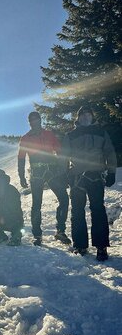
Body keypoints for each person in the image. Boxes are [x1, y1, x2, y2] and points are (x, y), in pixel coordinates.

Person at [62, 107, 117, 261]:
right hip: (77, 177)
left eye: (88, 115)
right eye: (83, 116)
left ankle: (101, 247)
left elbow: (109, 152)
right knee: (78, 211)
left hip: (96, 176)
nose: (86, 118)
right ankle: (80, 245)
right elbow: (63, 156)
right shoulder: (71, 135)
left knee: (98, 210)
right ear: (78, 118)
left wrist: (112, 171)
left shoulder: (100, 132)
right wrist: (65, 174)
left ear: (92, 117)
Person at [18, 111, 70, 246]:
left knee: (64, 198)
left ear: (40, 120)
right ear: (29, 122)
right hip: (37, 173)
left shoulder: (49, 134)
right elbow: (21, 158)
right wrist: (21, 176)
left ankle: (60, 231)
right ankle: (37, 235)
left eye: (36, 119)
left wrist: (64, 170)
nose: (34, 122)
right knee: (37, 204)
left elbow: (59, 152)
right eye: (32, 120)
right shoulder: (25, 138)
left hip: (52, 171)